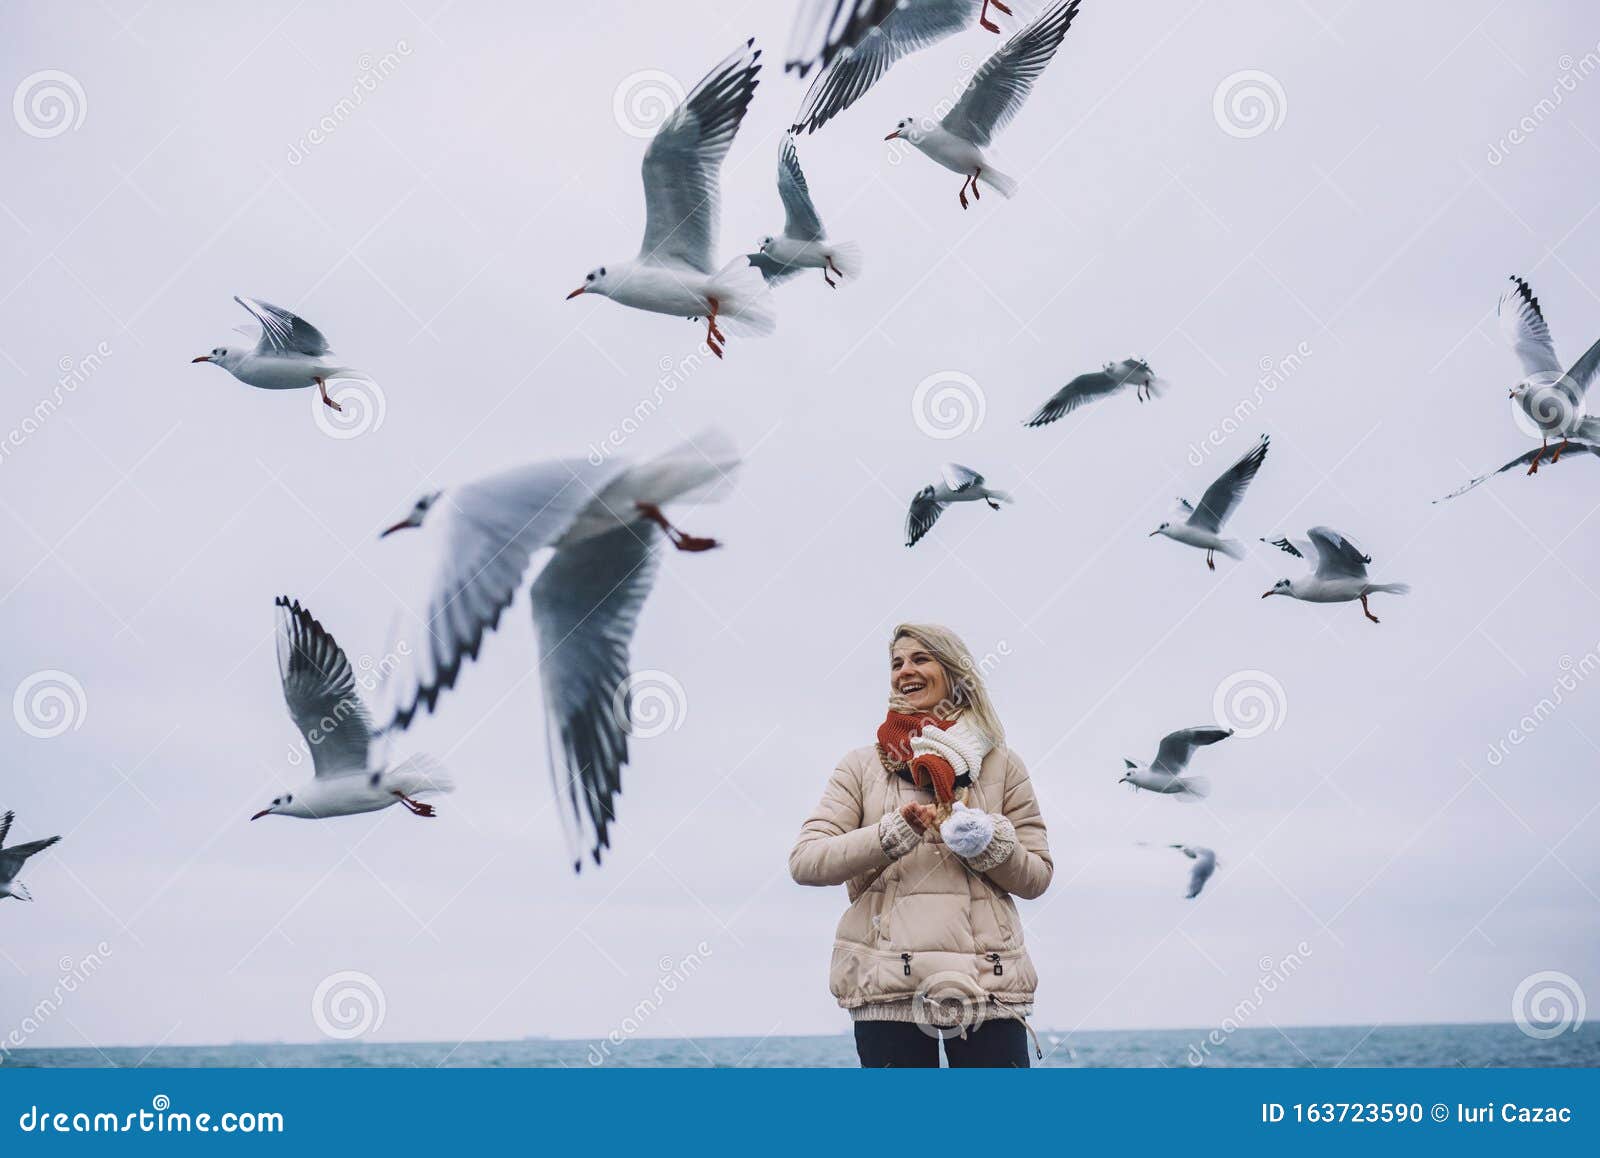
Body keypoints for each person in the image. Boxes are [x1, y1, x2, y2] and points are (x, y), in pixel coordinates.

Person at [789, 623, 1054, 1067]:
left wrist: (989, 843)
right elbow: (806, 861)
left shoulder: (1004, 764)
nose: (904, 671)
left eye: (920, 659)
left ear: (954, 671)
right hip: (889, 987)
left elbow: (1037, 878)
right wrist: (891, 834)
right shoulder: (861, 766)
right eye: (896, 663)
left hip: (988, 986)